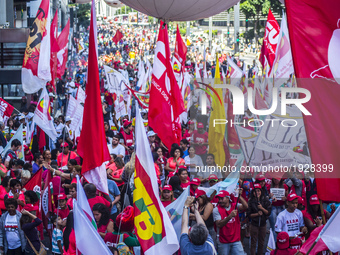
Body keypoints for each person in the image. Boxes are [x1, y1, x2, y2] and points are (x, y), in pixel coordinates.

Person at [213, 189, 248, 255]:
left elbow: (245, 206)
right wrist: (230, 216)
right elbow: (219, 224)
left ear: (228, 198)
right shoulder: (216, 210)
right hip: (223, 241)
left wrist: (239, 196)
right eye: (219, 199)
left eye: (222, 198)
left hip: (236, 240)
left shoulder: (235, 206)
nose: (220, 201)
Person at [247, 183, 272, 255]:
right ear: (253, 192)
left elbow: (268, 212)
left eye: (258, 191)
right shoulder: (251, 201)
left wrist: (262, 208)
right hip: (254, 224)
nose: (257, 193)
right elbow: (249, 215)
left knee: (261, 243)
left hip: (263, 224)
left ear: (261, 191)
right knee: (253, 243)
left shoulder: (265, 200)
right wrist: (257, 214)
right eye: (255, 191)